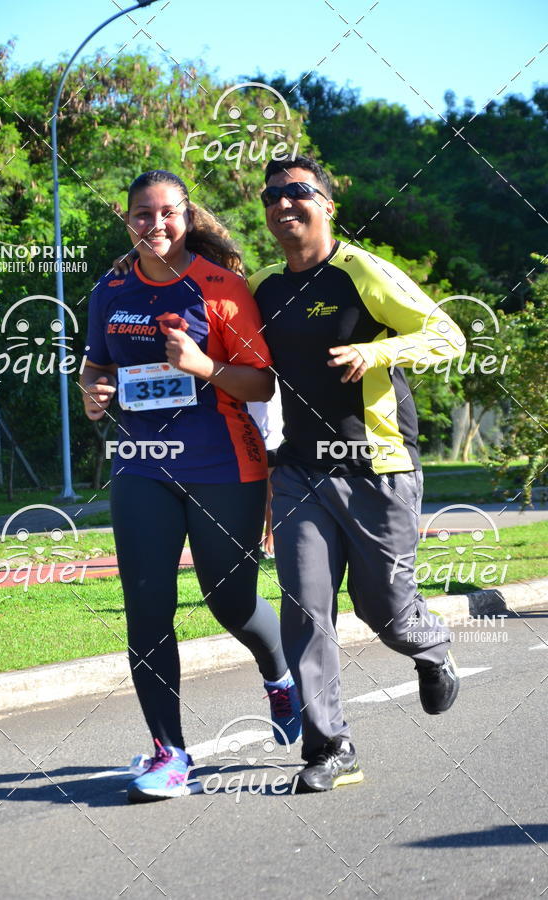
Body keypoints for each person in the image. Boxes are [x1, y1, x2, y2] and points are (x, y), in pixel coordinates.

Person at [248, 155, 465, 793]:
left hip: (377, 469)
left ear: (327, 205)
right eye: (273, 196)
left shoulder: (360, 271)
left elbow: (446, 333)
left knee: (387, 612)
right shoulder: (263, 286)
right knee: (305, 609)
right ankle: (330, 747)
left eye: (299, 193)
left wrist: (378, 349)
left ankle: (430, 648)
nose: (284, 205)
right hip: (299, 474)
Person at [81, 169, 300, 803]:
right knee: (147, 610)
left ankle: (280, 673)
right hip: (141, 464)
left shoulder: (222, 288)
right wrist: (92, 393)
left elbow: (262, 383)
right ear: (129, 221)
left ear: (186, 215)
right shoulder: (109, 290)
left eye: (168, 213)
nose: (156, 225)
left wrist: (203, 365)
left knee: (228, 599)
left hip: (223, 463)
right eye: (143, 215)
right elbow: (96, 368)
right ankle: (169, 753)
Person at [247, 382, 284, 558]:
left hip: (271, 438)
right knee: (252, 493)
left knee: (271, 492)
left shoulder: (272, 375)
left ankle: (271, 540)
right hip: (247, 437)